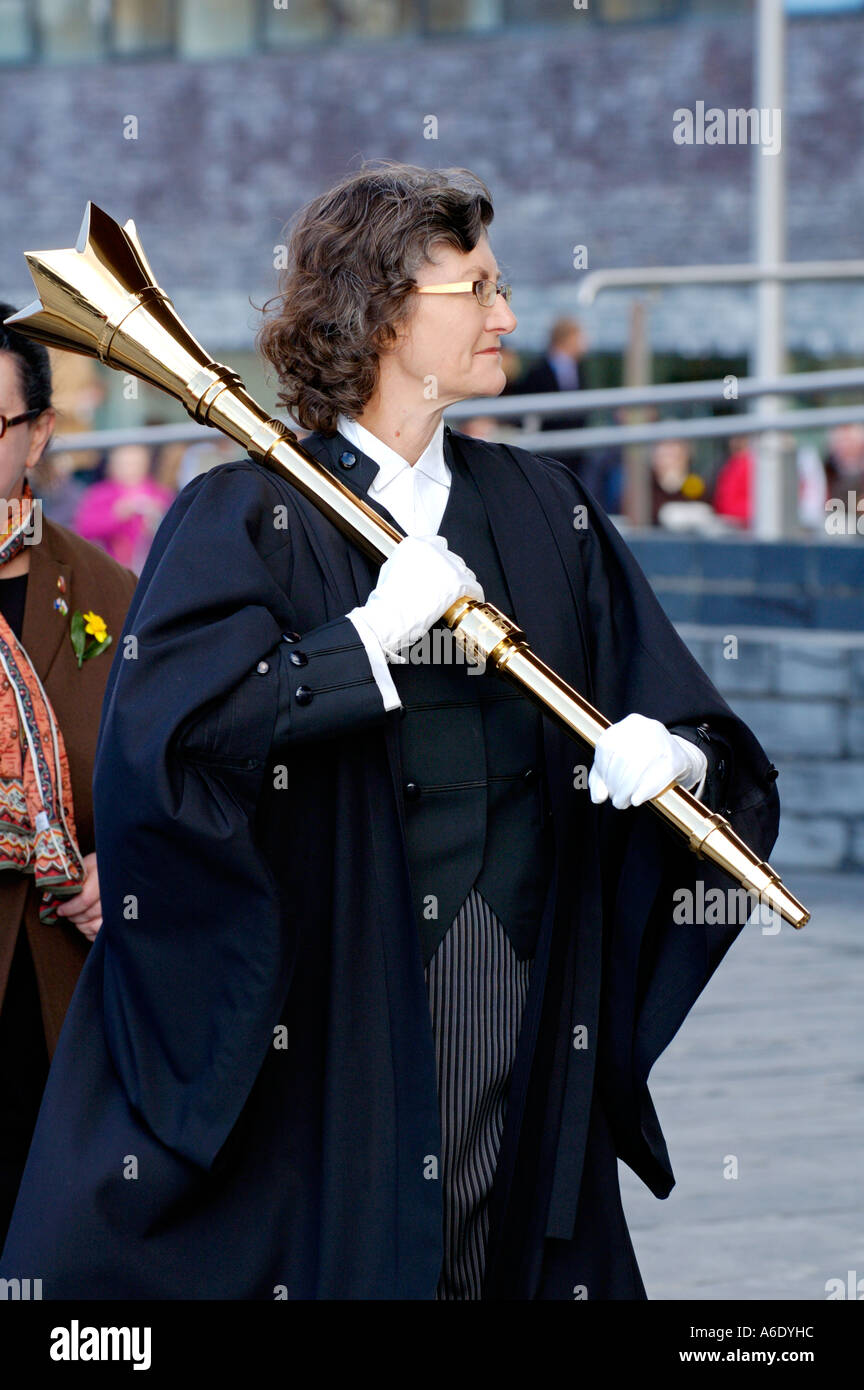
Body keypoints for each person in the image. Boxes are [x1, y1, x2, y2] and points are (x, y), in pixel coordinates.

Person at [1, 163, 780, 1300]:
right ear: (382, 310)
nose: (506, 314)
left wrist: (679, 756)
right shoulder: (248, 518)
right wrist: (360, 645)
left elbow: (694, 716)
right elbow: (167, 754)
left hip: (529, 982)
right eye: (475, 289)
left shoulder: (544, 508)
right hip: (344, 1011)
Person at [0, 306, 138, 1249]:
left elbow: (166, 784)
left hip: (55, 1005)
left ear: (40, 433)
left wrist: (120, 871)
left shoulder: (111, 596)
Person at [73, 442, 174, 573]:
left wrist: (157, 515)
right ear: (112, 467)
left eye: (135, 464)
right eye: (124, 464)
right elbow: (84, 528)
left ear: (145, 465)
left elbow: (171, 527)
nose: (130, 469)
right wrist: (116, 516)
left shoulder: (159, 494)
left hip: (152, 567)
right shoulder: (100, 493)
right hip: (112, 568)